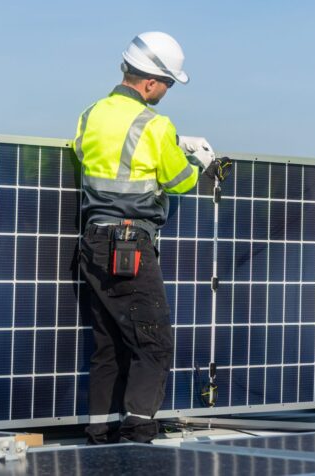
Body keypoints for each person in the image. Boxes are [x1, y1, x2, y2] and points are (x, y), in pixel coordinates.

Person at [74, 31, 214, 444]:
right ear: (150, 80)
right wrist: (197, 162)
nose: (167, 92)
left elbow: (87, 153)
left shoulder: (90, 114)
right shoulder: (155, 125)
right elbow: (179, 180)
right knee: (153, 343)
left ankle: (99, 429)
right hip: (129, 244)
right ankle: (137, 432)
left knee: (108, 344)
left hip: (93, 240)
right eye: (168, 83)